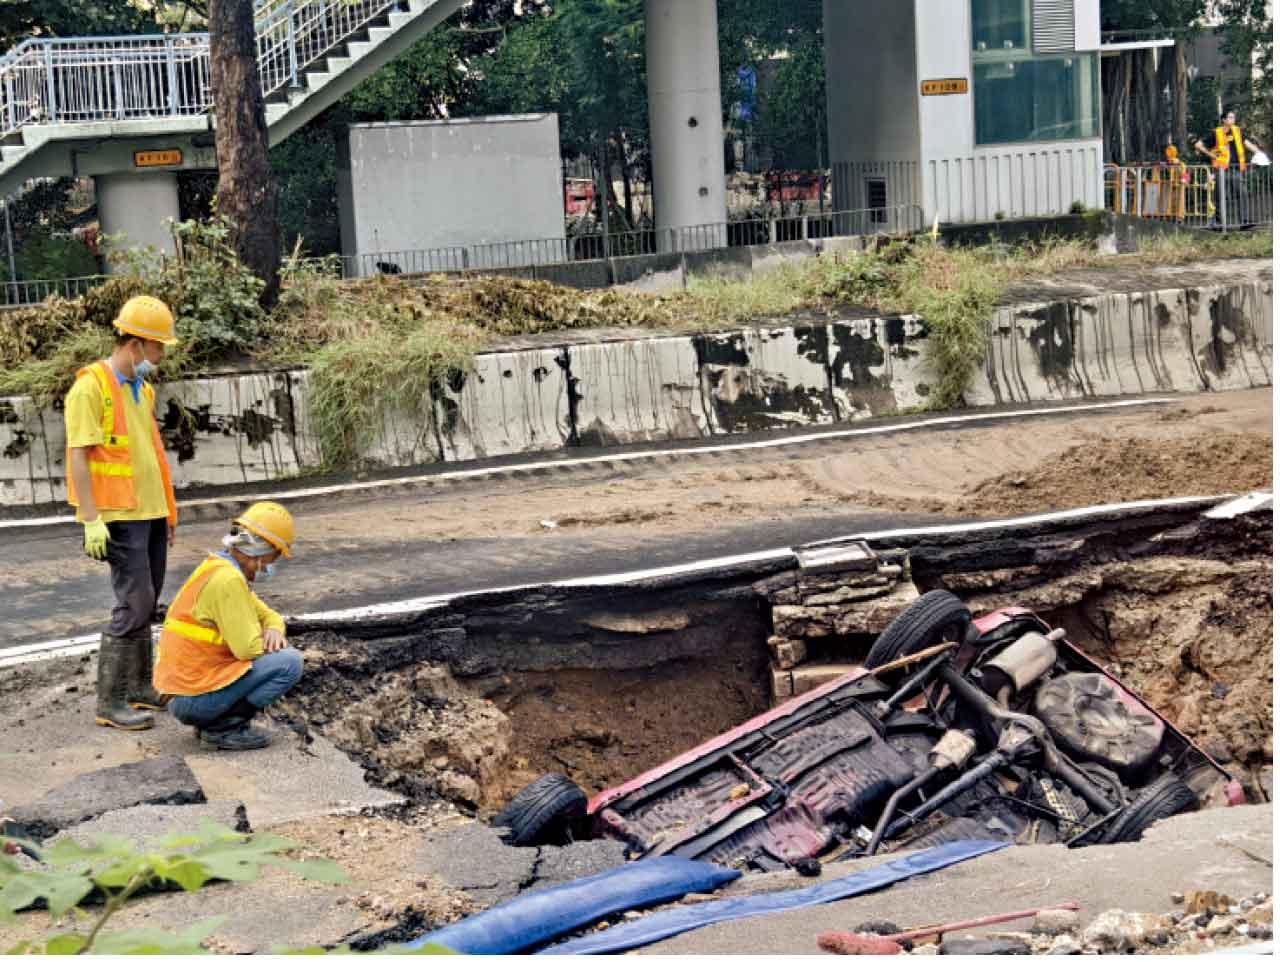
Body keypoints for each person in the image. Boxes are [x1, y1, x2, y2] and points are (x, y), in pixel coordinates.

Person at [64, 295, 179, 731]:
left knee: (147, 602)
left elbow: (152, 456)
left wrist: (167, 513)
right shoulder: (90, 387)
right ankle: (109, 701)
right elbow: (79, 456)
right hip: (118, 515)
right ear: (136, 344)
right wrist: (91, 518)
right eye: (158, 347)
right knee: (134, 603)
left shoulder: (142, 389)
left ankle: (138, 688)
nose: (161, 356)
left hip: (149, 513)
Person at [154, 502, 303, 750]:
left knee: (278, 654)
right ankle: (222, 728)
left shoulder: (218, 567)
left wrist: (274, 629)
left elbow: (270, 615)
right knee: (289, 662)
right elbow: (248, 649)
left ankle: (213, 721)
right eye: (273, 557)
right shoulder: (229, 581)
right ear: (259, 551)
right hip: (192, 697)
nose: (270, 566)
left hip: (185, 690)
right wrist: (267, 636)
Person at [1194, 110, 1266, 226]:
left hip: (1235, 169)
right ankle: (1218, 223)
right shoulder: (1216, 133)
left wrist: (1260, 154)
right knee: (1220, 196)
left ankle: (1244, 222)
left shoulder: (1237, 132)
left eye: (1233, 117)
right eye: (1230, 117)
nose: (1233, 120)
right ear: (1224, 120)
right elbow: (1198, 145)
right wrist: (1211, 155)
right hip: (1221, 170)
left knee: (1242, 193)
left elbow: (1248, 144)